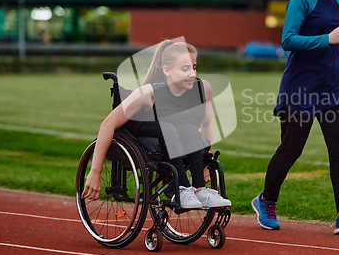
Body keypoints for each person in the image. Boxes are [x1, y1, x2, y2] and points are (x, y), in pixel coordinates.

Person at [251, 0, 339, 235]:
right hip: (300, 89)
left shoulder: (338, 1)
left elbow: (330, 46)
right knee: (292, 149)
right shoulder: (300, 0)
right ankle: (266, 200)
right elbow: (288, 41)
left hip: (333, 88)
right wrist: (329, 39)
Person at [81, 40, 231, 209]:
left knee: (190, 130)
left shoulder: (203, 89)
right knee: (169, 128)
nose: (192, 74)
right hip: (140, 127)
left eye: (194, 67)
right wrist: (95, 172)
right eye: (185, 68)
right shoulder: (148, 93)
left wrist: (205, 162)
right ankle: (181, 189)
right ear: (166, 70)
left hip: (173, 129)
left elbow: (207, 125)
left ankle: (199, 190)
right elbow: (107, 125)